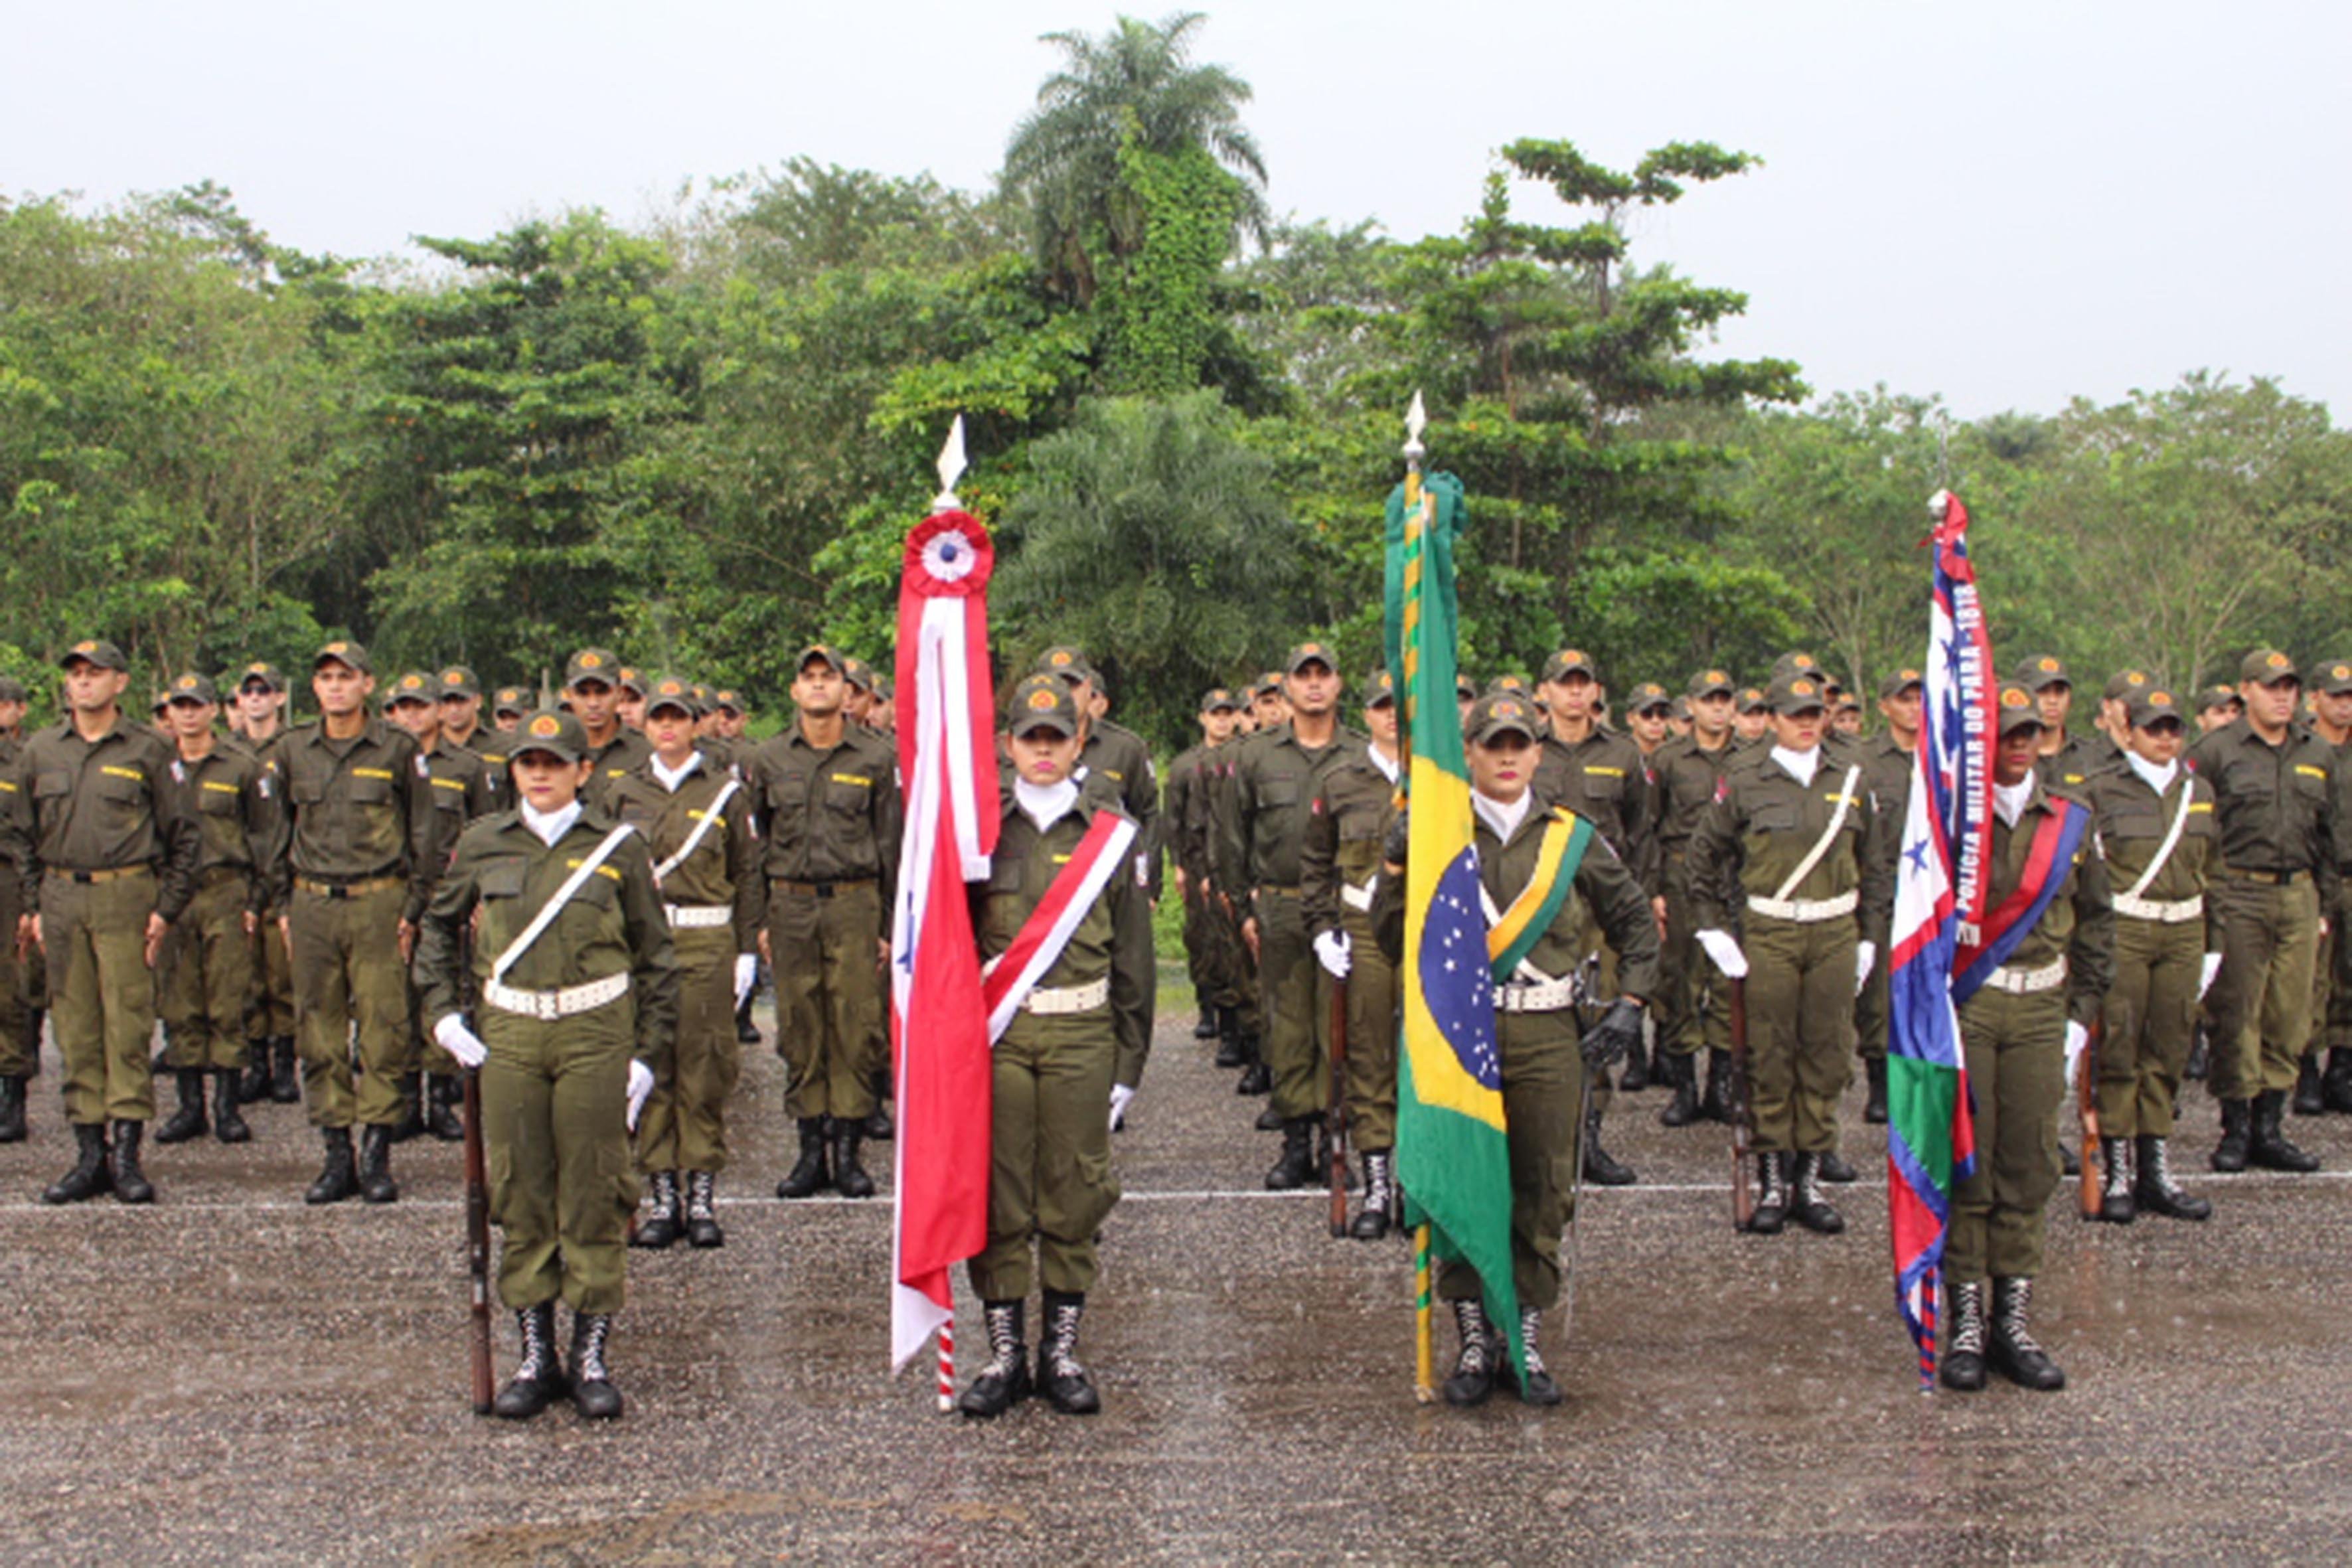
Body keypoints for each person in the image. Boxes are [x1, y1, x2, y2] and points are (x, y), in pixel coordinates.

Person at [1376, 694, 1654, 1406]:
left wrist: (1633, 1004)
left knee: (1540, 1186)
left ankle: (1521, 1334)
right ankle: (1473, 1333)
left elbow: (1635, 923)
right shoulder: (1439, 832)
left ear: (1539, 753)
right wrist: (1396, 867)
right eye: (1492, 743)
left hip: (1545, 1034)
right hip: (1460, 1032)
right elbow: (1387, 939)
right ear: (1468, 752)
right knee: (1465, 1180)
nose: (1506, 757)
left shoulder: (1572, 838)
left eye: (1519, 744)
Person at [417, 708, 678, 1421]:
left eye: (555, 761)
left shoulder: (618, 847)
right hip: (513, 1033)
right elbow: (437, 926)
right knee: (521, 1187)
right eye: (527, 761)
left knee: (596, 1187)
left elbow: (657, 957)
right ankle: (536, 1353)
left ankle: (589, 1353)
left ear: (582, 770)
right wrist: (443, 1012)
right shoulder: (482, 841)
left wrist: (648, 1055)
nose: (539, 772)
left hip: (596, 1030)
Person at [957, 675, 1152, 1419]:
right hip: (998, 1035)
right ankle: (1005, 1353)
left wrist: (1128, 1068)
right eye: (1030, 736)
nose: (1043, 749)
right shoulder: (979, 831)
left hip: (1081, 1035)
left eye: (1056, 737)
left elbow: (1134, 964)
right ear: (1009, 745)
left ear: (1079, 743)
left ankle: (1060, 1350)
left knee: (1075, 1191)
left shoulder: (1110, 835)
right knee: (1000, 1190)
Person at [1938, 686, 2113, 1393]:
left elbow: (2098, 922)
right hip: (1972, 1005)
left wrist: (2082, 1012)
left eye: (2029, 735)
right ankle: (1969, 1323)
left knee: (2030, 1160)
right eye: (2006, 735)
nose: (2018, 746)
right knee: (1969, 1160)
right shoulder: (1953, 822)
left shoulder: (2071, 823)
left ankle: (2013, 1319)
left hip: (2043, 1006)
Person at [1688, 671, 1890, 1235]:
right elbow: (1702, 858)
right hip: (1771, 931)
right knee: (1770, 1056)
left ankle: (1809, 1177)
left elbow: (1874, 867)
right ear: (1771, 718)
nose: (1806, 723)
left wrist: (1870, 937)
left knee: (1825, 1056)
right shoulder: (1745, 779)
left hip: (1833, 931)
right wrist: (1712, 930)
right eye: (1794, 714)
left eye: (1814, 713)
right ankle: (1773, 1177)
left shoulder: (1853, 777)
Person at [3, 641, 198, 1203]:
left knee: (129, 1026)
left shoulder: (149, 749)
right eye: (76, 675)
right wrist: (36, 904)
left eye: (96, 674)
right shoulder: (40, 750)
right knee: (76, 1029)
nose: (83, 683)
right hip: (63, 898)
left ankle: (128, 1155)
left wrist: (165, 909)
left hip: (126, 897)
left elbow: (183, 836)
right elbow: (20, 833)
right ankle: (89, 1153)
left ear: (120, 683)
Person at [270, 640, 444, 1205]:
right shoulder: (293, 748)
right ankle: (334, 1151)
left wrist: (413, 909)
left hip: (379, 901)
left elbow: (424, 833)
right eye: (325, 677)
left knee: (384, 1028)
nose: (336, 687)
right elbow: (275, 834)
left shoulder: (397, 748)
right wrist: (281, 907)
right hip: (313, 902)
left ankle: (377, 1152)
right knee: (317, 1029)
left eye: (346, 676)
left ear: (369, 684)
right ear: (314, 688)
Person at [606, 678, 760, 1249]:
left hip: (704, 942)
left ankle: (700, 1194)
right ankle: (662, 1194)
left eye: (679, 717)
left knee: (705, 1069)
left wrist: (745, 948)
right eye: (658, 717)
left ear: (697, 724)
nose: (667, 726)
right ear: (645, 724)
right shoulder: (621, 792)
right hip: (643, 946)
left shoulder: (726, 792)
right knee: (652, 1067)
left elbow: (747, 874)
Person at [744, 644, 902, 1200]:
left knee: (856, 1027)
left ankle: (850, 1153)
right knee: (800, 1026)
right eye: (807, 678)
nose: (817, 687)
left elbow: (890, 845)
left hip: (855, 904)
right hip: (790, 906)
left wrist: (887, 925)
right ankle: (810, 1150)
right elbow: (755, 848)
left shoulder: (875, 759)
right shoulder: (767, 760)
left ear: (846, 691)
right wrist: (758, 920)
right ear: (794, 691)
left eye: (827, 678)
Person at [1217, 643, 1365, 1188]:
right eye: (1303, 676)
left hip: (1344, 908)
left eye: (1323, 674)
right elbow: (1231, 836)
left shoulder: (1360, 752)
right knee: (1287, 1028)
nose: (1314, 685)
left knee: (1341, 1027)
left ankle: (1336, 1141)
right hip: (1279, 906)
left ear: (1338, 684)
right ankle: (1295, 1142)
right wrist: (1243, 909)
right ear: (1286, 688)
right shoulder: (1256, 755)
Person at [2189, 649, 2335, 1174]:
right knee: (2236, 1014)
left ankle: (2270, 1126)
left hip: (2297, 893)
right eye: (2271, 686)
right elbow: (2196, 831)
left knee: (2288, 1016)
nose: (2282, 696)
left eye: (2289, 687)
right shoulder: (2214, 752)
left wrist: (2324, 904)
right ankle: (2236, 1126)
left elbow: (2329, 837)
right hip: (2238, 892)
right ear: (2245, 690)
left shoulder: (2316, 753)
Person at [2085, 686, 2218, 1221]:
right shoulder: (2100, 791)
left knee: (2167, 1048)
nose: (2165, 738)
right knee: (2120, 1048)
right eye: (2153, 728)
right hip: (2126, 928)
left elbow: (2219, 870)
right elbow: (2086, 877)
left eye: (2173, 728)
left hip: (2185, 929)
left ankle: (2155, 1169)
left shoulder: (2199, 790)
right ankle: (2117, 1170)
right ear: (2130, 733)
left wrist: (2216, 944)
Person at [1529, 649, 1656, 1180]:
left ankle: (1589, 1137)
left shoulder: (1624, 753)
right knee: (1545, 1019)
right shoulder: (1527, 750)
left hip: (1601, 908)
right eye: (1565, 684)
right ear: (1545, 693)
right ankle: (1545, 1137)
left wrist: (1645, 898)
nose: (1575, 693)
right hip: (1541, 907)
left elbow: (1641, 831)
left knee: (1601, 1017)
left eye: (1583, 684)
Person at [1302, 668, 1404, 1238]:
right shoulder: (1341, 780)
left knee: (1420, 1053)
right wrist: (1321, 928)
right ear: (1365, 714)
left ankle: (1417, 1177)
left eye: (1400, 705)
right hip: (1363, 929)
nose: (1392, 714)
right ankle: (1377, 1179)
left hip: (1422, 929)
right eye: (1382, 705)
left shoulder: (1437, 777)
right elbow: (1315, 862)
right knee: (1367, 1055)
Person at [153, 674, 273, 1148]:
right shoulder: (156, 767)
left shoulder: (241, 767)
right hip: (173, 898)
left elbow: (264, 838)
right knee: (179, 1001)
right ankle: (189, 1107)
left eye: (196, 704)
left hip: (226, 891)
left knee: (228, 998)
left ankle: (226, 1107)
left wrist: (257, 899)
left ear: (213, 710)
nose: (187, 714)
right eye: (178, 705)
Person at [1649, 670, 1741, 1128]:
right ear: (1692, 706)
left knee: (1728, 984)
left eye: (1725, 699)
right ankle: (1683, 1087)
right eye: (1709, 700)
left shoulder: (1750, 760)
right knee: (1679, 982)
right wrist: (1654, 892)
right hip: (1681, 877)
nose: (1718, 708)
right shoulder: (1668, 760)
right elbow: (1648, 828)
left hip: (1731, 880)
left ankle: (1719, 1087)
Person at [1853, 668, 1924, 1126]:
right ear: (1884, 707)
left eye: (1920, 699)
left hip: (1932, 897)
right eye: (1903, 700)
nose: (1913, 707)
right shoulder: (1865, 762)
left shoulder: (1948, 760)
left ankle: (1919, 1083)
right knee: (1877, 998)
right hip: (1884, 892)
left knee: (1929, 993)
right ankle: (1879, 1086)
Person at [231, 661, 300, 1107]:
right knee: (247, 978)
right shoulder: (226, 752)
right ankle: (255, 1064)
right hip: (239, 878)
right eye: (249, 691)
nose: (256, 698)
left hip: (284, 876)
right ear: (238, 700)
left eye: (265, 691)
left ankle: (285, 1066)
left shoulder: (294, 748)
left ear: (280, 697)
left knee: (284, 977)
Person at [2300, 659, 2352, 1116]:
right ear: (2314, 698)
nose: (2344, 705)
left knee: (2349, 978)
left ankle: (2341, 1068)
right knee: (2310, 980)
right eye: (2336, 696)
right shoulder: (2300, 748)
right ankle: (2304, 1071)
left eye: (2350, 697)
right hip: (2316, 875)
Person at [0, 675, 34, 1141]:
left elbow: (31, 832)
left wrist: (32, 898)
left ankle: (12, 1096)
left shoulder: (24, 762)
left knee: (8, 990)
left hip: (6, 879)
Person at [564, 651, 652, 811]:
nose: (593, 703)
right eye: (583, 693)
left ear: (619, 693)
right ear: (569, 696)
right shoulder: (558, 751)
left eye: (602, 691)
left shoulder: (645, 752)